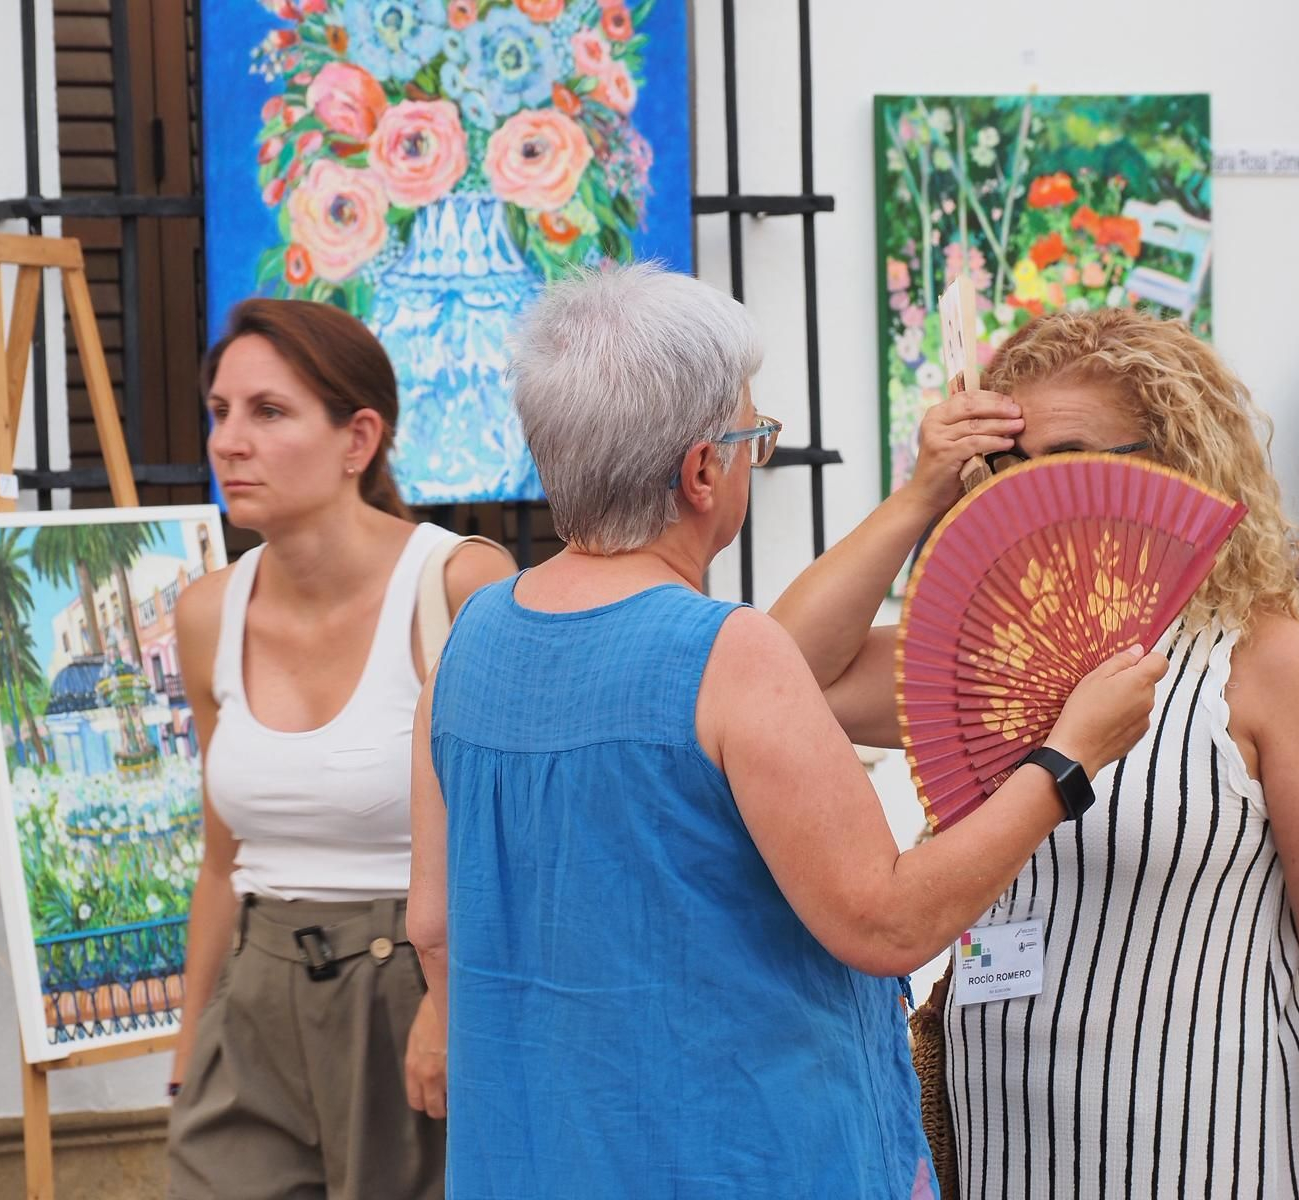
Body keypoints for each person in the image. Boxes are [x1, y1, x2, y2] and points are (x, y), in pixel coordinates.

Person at [406, 265, 1168, 1199]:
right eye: (752, 438)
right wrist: (1066, 762)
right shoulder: (724, 653)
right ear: (702, 472)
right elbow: (887, 921)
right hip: (749, 1158)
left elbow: (433, 927)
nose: (752, 459)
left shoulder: (468, 643)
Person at [772, 307, 1299, 1200]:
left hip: (1216, 1155)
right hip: (1006, 1156)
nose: (1033, 491)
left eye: (1070, 458)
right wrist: (919, 497)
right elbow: (785, 679)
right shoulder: (985, 656)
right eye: (1011, 465)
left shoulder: (1259, 661)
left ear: (1173, 464)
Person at [165, 299, 513, 1200]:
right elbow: (221, 861)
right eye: (219, 411)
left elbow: (509, 843)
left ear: (358, 438)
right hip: (253, 996)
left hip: (409, 993)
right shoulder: (207, 612)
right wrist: (190, 1046)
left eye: (267, 412)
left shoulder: (460, 585)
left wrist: (449, 1007)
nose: (228, 442)